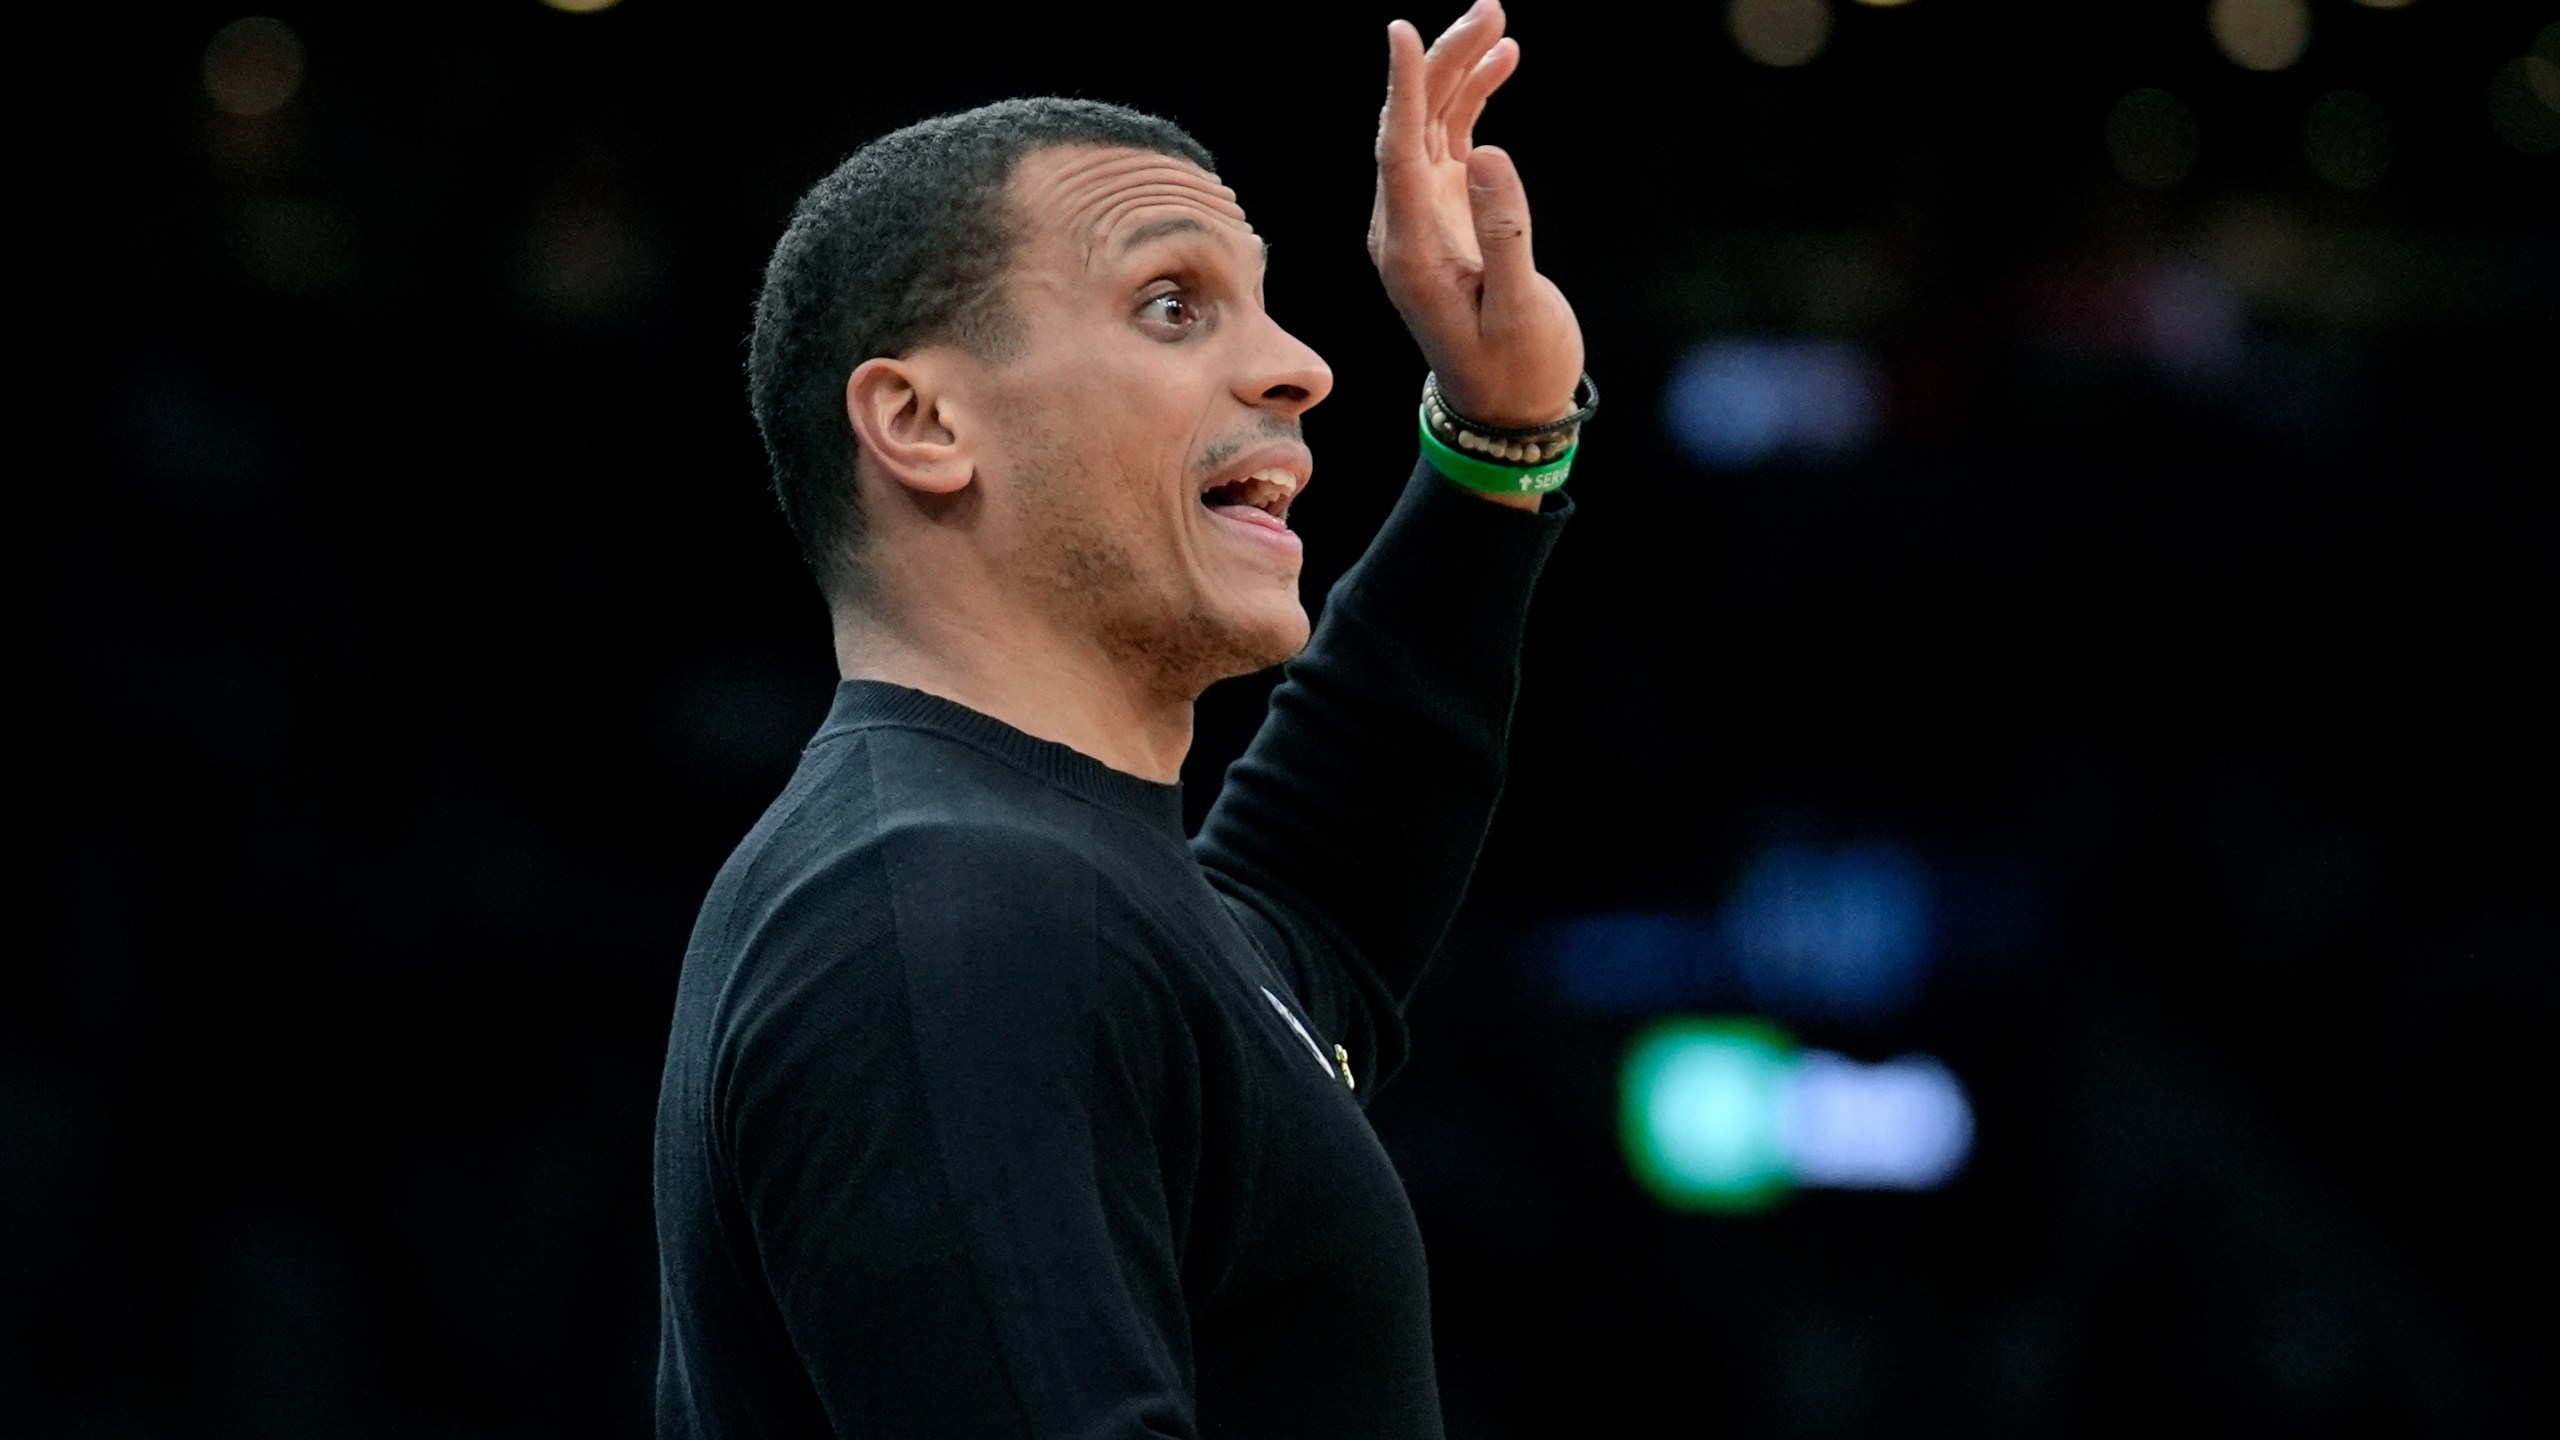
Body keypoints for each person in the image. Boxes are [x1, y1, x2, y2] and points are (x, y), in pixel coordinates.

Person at [654, 3, 1589, 1434]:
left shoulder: (1024, 879)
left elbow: (1308, 919)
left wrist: (1498, 440)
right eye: (1174, 305)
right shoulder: (950, 917)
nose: (1301, 367)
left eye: (1267, 303)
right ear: (922, 424)